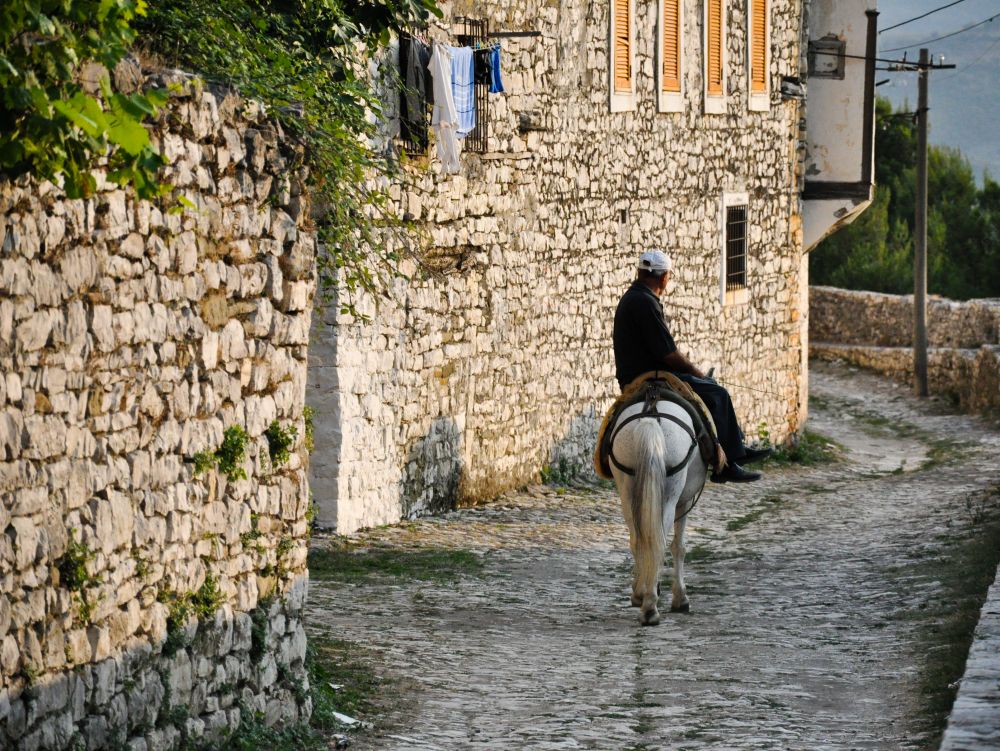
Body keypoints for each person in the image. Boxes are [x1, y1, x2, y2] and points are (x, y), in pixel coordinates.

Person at [612, 249, 771, 483]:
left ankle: (734, 452)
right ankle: (729, 462)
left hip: (631, 375)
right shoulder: (646, 302)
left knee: (709, 390)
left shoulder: (633, 297)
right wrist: (697, 373)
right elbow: (669, 354)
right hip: (650, 376)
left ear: (640, 272)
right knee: (717, 393)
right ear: (664, 277)